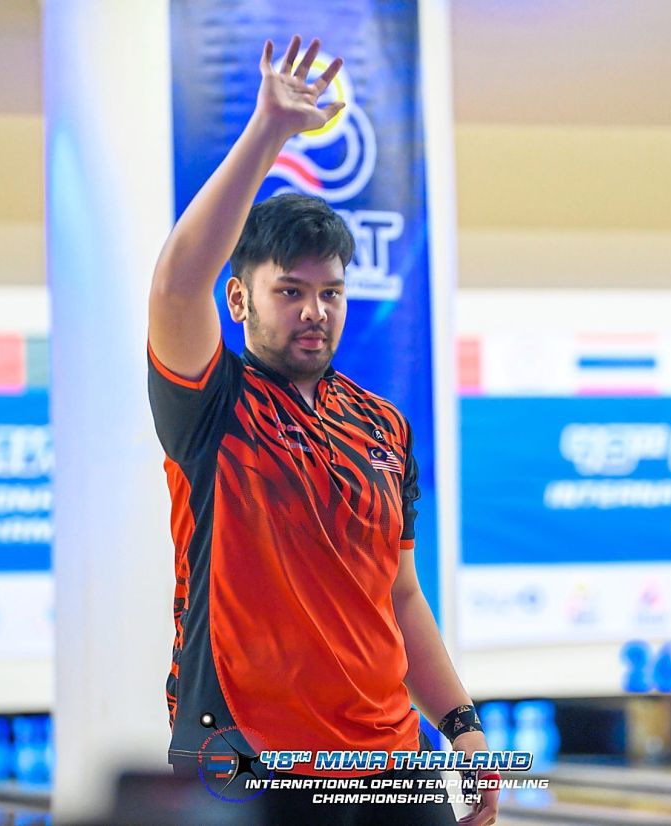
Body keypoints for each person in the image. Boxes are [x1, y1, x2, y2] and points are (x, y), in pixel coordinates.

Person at [146, 36, 500, 825]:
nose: (315, 311)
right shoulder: (213, 407)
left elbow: (400, 595)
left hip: (387, 758)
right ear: (239, 301)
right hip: (246, 755)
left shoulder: (383, 425)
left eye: (331, 292)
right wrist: (269, 130)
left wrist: (463, 725)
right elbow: (176, 282)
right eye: (291, 291)